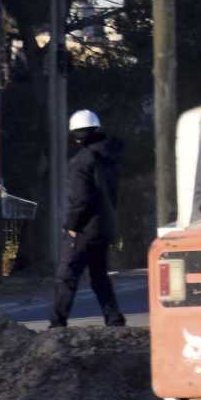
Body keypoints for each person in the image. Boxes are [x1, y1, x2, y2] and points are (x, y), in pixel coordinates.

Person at [51, 109, 127, 328]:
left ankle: (57, 323)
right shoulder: (110, 157)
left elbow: (82, 199)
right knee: (99, 276)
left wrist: (72, 226)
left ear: (75, 135)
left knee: (66, 275)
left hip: (85, 229)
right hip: (105, 227)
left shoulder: (81, 161)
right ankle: (114, 320)